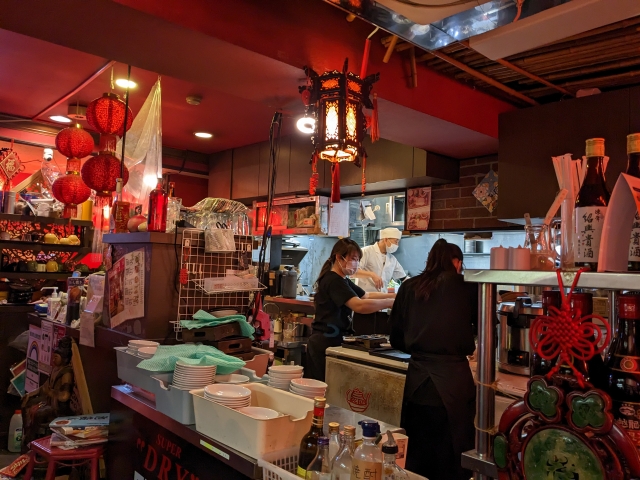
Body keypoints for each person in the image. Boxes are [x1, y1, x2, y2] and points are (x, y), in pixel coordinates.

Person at [389, 239, 477, 480]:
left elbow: (396, 338)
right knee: (452, 454)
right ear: (456, 262)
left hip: (417, 383)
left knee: (417, 453)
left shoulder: (409, 286)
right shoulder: (468, 286)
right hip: (454, 382)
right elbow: (486, 329)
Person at [306, 238, 396, 381]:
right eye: (353, 259)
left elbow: (366, 295)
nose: (356, 263)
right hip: (324, 343)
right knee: (322, 388)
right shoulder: (333, 280)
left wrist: (395, 296)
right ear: (339, 257)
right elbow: (359, 305)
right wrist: (389, 303)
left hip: (333, 340)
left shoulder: (343, 279)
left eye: (358, 259)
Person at [351, 227, 407, 334]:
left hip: (382, 307)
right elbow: (353, 272)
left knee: (381, 337)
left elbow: (403, 278)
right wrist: (371, 274)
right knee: (362, 336)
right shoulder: (366, 251)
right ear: (385, 239)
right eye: (396, 241)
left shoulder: (392, 259)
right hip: (364, 305)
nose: (397, 245)